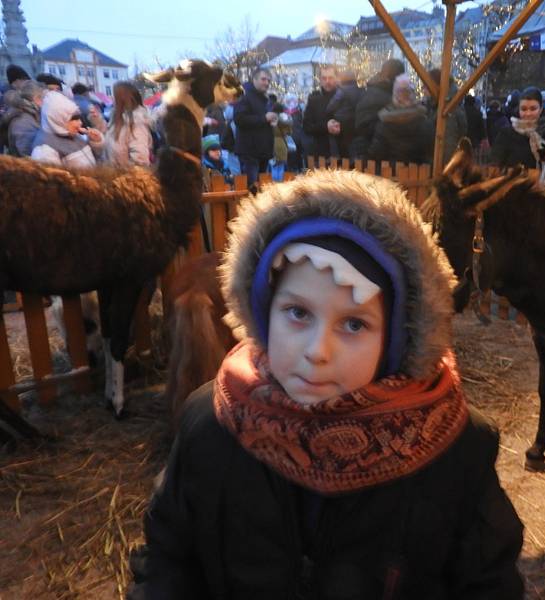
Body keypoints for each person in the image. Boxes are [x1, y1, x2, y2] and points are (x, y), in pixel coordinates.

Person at [127, 169, 524, 599]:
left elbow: (488, 585)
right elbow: (168, 557)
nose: (318, 351)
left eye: (354, 324)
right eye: (298, 313)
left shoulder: (452, 448)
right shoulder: (212, 424)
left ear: (394, 338)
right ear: (264, 311)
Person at [30, 90, 104, 168]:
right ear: (57, 119)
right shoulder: (44, 151)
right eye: (73, 119)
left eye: (79, 118)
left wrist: (95, 142)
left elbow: (91, 160)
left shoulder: (70, 133)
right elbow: (54, 179)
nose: (80, 123)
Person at [490, 86, 545, 170]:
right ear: (519, 110)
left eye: (533, 109)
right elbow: (495, 163)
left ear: (540, 109)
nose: (528, 113)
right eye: (524, 109)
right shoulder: (506, 134)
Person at [368, 74, 429, 165]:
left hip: (388, 174)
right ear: (412, 94)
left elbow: (376, 153)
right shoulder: (424, 122)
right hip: (419, 174)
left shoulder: (384, 122)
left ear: (395, 95)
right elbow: (429, 153)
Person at [351, 58, 405, 159]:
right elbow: (365, 126)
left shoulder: (375, 90)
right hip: (374, 154)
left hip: (370, 151)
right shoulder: (384, 96)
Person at [234, 68, 277, 187]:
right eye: (263, 79)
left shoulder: (264, 98)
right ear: (254, 79)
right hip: (250, 152)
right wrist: (264, 118)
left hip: (263, 152)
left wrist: (271, 121)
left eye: (268, 80)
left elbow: (262, 119)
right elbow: (239, 119)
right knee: (251, 190)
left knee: (262, 191)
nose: (267, 83)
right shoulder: (243, 94)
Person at [104, 81, 152, 167]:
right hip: (114, 177)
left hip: (125, 178)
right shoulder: (116, 119)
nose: (112, 99)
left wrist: (122, 177)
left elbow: (140, 162)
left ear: (121, 99)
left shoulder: (137, 123)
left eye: (114, 96)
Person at [325, 69, 362, 159]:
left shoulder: (342, 90)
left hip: (342, 122)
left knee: (332, 134)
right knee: (351, 144)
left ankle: (335, 156)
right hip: (355, 121)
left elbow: (331, 106)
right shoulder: (360, 90)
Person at [1, 80, 44, 157]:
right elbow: (27, 153)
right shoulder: (22, 121)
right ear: (36, 98)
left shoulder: (30, 114)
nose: (44, 101)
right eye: (42, 98)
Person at [303, 65, 338, 159]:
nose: (327, 81)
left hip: (342, 152)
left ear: (336, 78)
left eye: (330, 78)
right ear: (320, 80)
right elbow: (307, 127)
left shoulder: (343, 96)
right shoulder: (314, 99)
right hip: (321, 153)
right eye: (324, 78)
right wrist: (325, 127)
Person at [269, 102, 293, 182]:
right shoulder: (286, 119)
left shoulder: (272, 119)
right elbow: (290, 132)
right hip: (283, 143)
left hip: (272, 143)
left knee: (274, 166)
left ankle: (274, 184)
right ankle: (280, 183)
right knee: (281, 166)